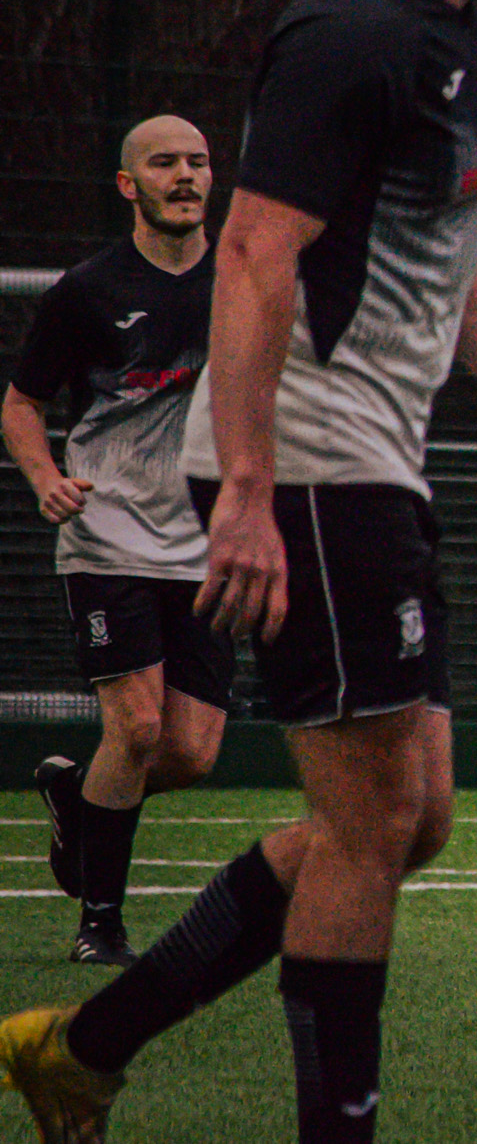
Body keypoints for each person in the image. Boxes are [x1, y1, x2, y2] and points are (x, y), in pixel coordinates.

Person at [0, 0, 477, 1144]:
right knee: (368, 826)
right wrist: (249, 493)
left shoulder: (461, 32)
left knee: (409, 816)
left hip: (378, 465)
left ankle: (82, 1044)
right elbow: (255, 258)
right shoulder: (350, 28)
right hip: (316, 465)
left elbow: (447, 248)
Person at [2, 116, 229, 967]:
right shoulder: (89, 290)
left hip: (206, 542)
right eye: (164, 163)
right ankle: (101, 921)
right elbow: (20, 404)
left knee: (191, 751)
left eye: (199, 162)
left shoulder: (245, 281)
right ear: (129, 184)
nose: (185, 175)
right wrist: (43, 477)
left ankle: (75, 798)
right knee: (134, 727)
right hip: (107, 532)